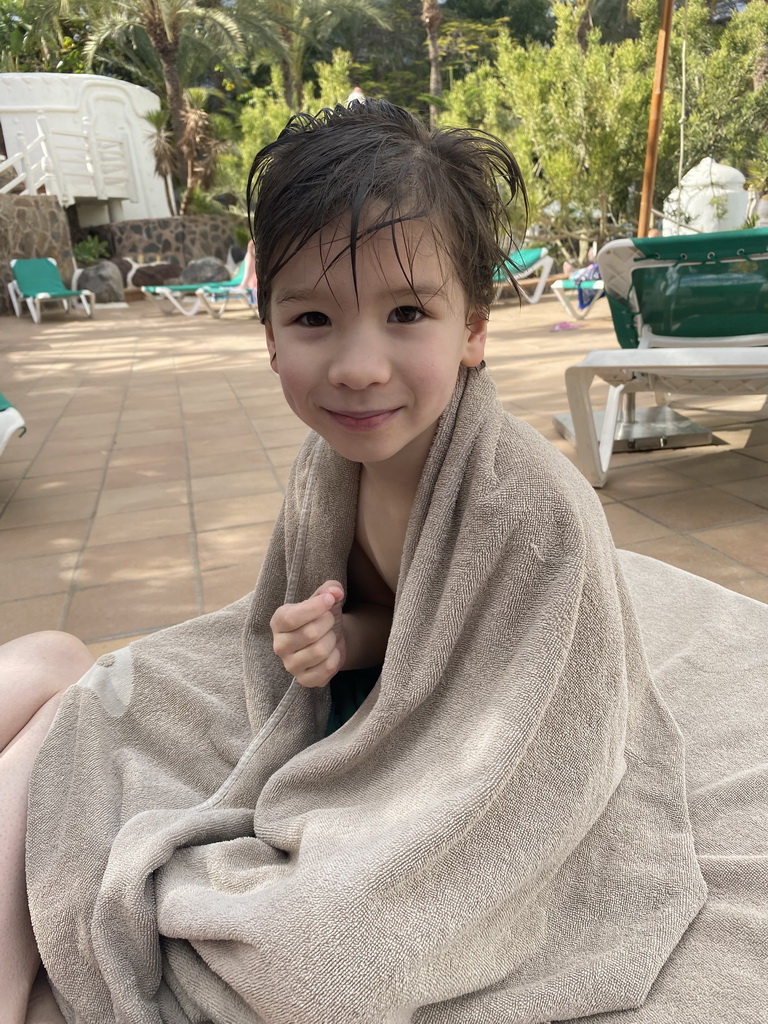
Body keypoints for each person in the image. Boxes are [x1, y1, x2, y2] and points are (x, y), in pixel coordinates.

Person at [0, 101, 737, 1024]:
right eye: (313, 316)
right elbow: (417, 620)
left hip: (467, 768)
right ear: (268, 333)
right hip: (367, 712)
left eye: (405, 314)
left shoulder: (533, 510)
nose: (356, 365)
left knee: (329, 957)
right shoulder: (332, 463)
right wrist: (342, 638)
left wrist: (383, 815)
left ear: (472, 330)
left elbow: (534, 739)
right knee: (94, 702)